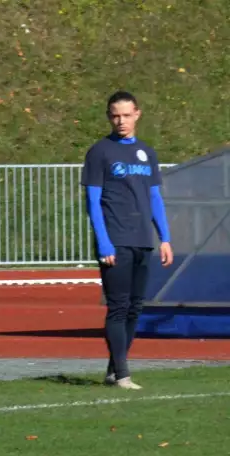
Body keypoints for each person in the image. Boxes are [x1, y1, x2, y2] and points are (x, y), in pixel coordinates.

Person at [81, 91, 174, 389]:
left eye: (126, 115)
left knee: (135, 307)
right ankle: (123, 375)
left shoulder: (147, 153)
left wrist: (165, 238)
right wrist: (104, 243)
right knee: (118, 307)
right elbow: (93, 202)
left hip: (143, 240)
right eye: (114, 115)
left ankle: (113, 370)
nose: (120, 121)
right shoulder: (100, 152)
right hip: (116, 240)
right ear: (109, 117)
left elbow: (155, 197)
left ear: (137, 114)